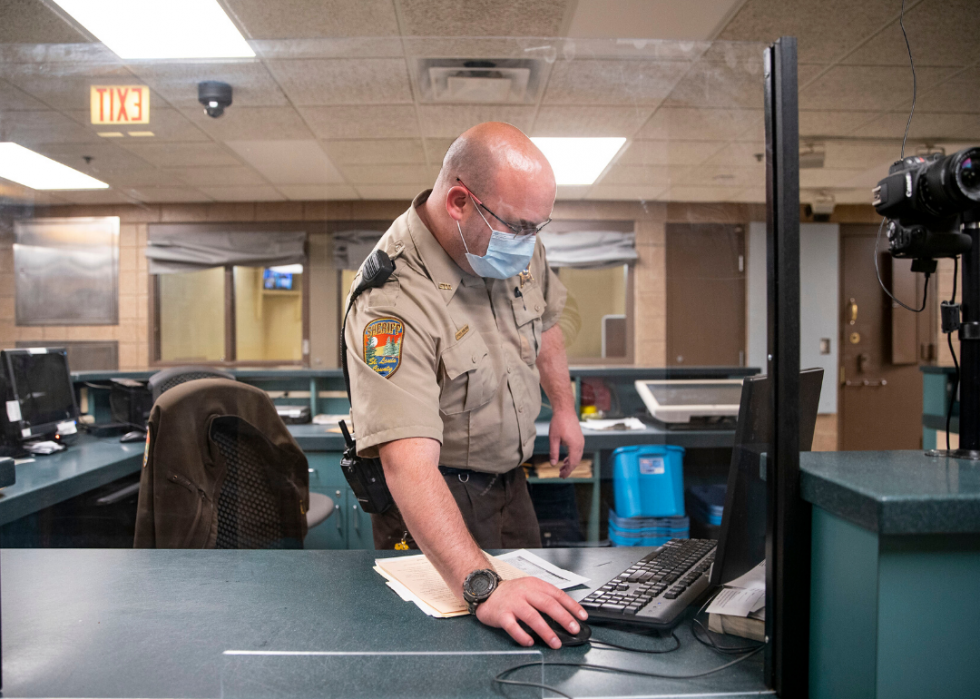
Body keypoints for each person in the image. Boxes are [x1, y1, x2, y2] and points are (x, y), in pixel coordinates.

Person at [344, 122, 587, 648]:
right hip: (436, 501)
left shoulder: (513, 241)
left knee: (537, 641)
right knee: (444, 662)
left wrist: (564, 408)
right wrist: (481, 586)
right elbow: (407, 464)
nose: (528, 244)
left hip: (512, 485)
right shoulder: (390, 303)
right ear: (458, 201)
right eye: (520, 227)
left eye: (537, 229)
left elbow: (545, 325)